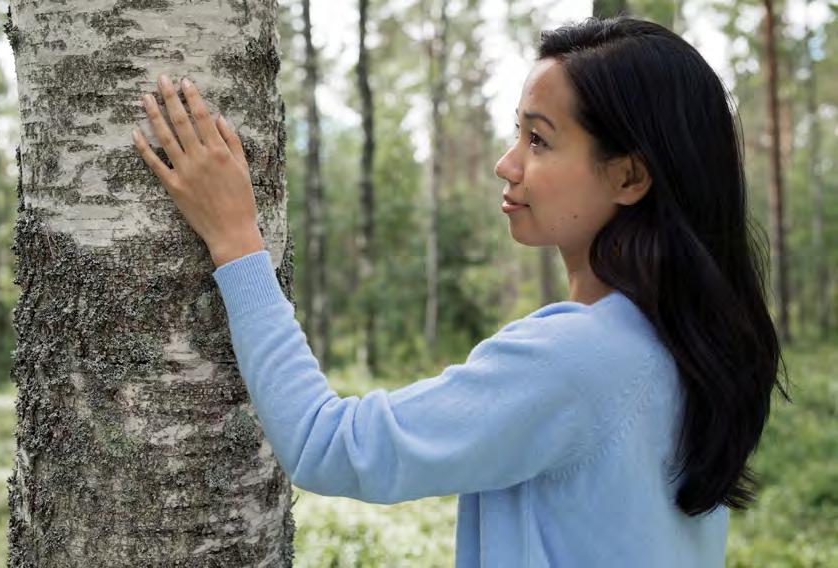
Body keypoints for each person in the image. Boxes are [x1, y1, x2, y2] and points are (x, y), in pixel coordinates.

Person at [132, 15, 789, 568]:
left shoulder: (578, 357)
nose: (508, 164)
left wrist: (236, 240)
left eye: (539, 139)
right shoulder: (691, 347)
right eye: (517, 133)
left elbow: (323, 445)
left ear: (629, 177)